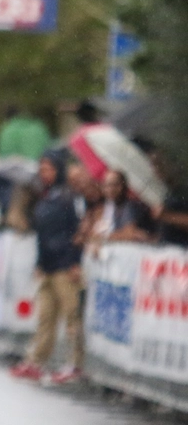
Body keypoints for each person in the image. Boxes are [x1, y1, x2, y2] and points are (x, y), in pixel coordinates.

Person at [11, 149, 84, 385]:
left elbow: (76, 232)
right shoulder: (45, 197)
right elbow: (41, 234)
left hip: (65, 265)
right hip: (49, 266)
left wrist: (75, 261)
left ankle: (75, 363)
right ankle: (36, 361)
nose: (44, 173)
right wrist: (40, 263)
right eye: (42, 169)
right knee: (46, 317)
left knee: (72, 316)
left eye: (49, 169)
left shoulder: (69, 198)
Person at [82, 169, 154, 252]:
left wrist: (103, 237)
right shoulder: (106, 208)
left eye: (112, 185)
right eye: (106, 185)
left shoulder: (130, 206)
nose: (108, 189)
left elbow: (130, 235)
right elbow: (93, 234)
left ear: (122, 186)